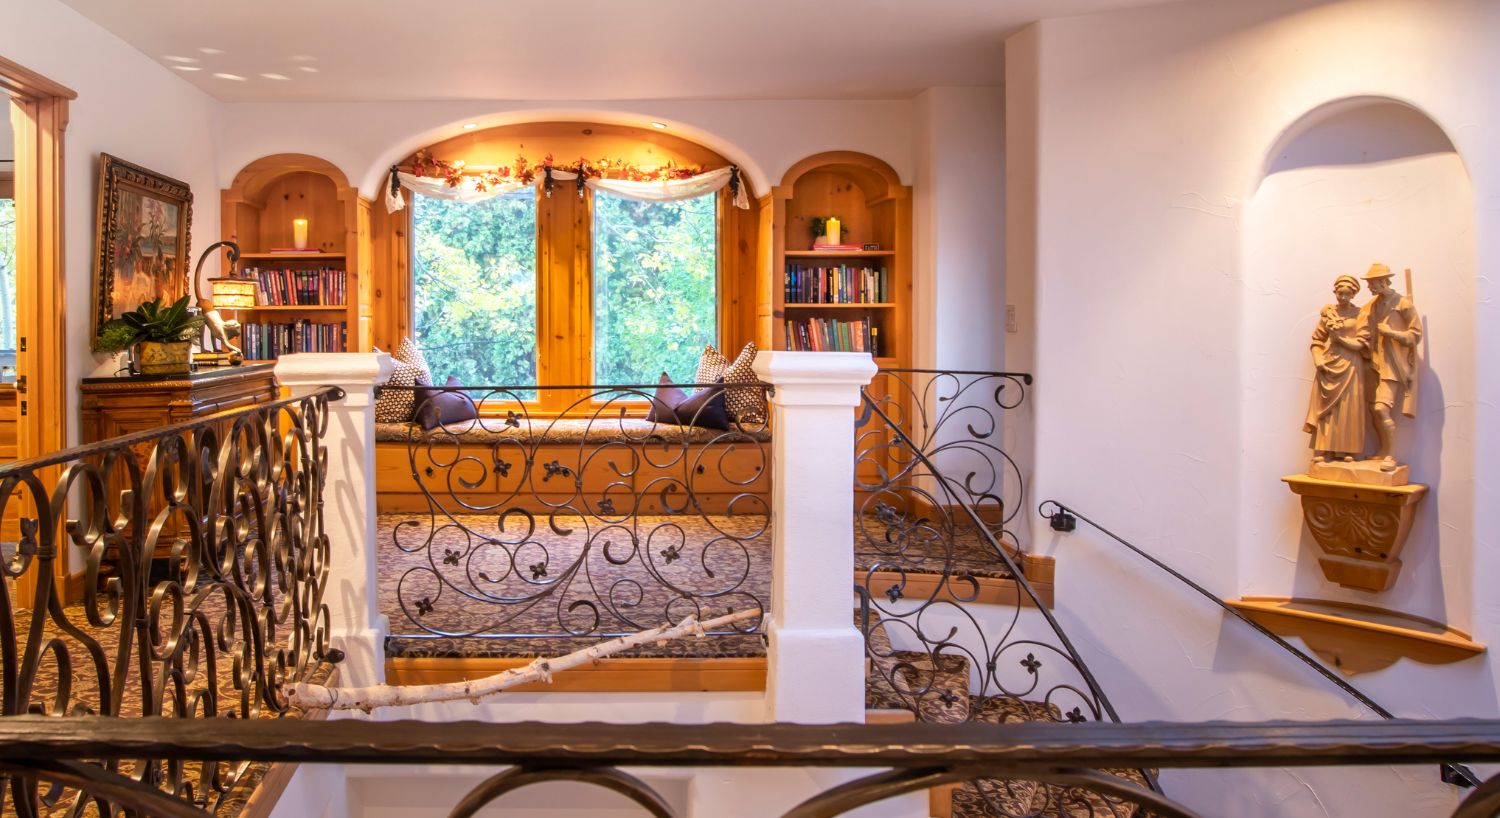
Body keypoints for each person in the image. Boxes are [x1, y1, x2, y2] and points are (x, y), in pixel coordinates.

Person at [1357, 263, 1421, 470]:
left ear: (1384, 282)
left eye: (1373, 283)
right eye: (1369, 284)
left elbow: (1415, 335)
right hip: (1373, 364)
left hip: (1393, 367)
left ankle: (1391, 455)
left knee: (1381, 409)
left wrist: (1392, 333)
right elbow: (1363, 329)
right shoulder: (1371, 306)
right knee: (1372, 410)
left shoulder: (1402, 304)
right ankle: (1384, 449)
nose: (1370, 287)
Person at [1304, 275, 1370, 462]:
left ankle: (1349, 449)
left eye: (1347, 294)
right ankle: (1326, 450)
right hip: (1329, 363)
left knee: (1349, 406)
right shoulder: (1328, 314)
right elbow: (1317, 340)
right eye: (1339, 293)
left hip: (1350, 364)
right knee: (1327, 409)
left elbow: (1361, 343)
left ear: (1353, 294)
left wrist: (1340, 339)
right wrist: (1318, 358)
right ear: (1335, 293)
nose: (1342, 298)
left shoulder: (1361, 315)